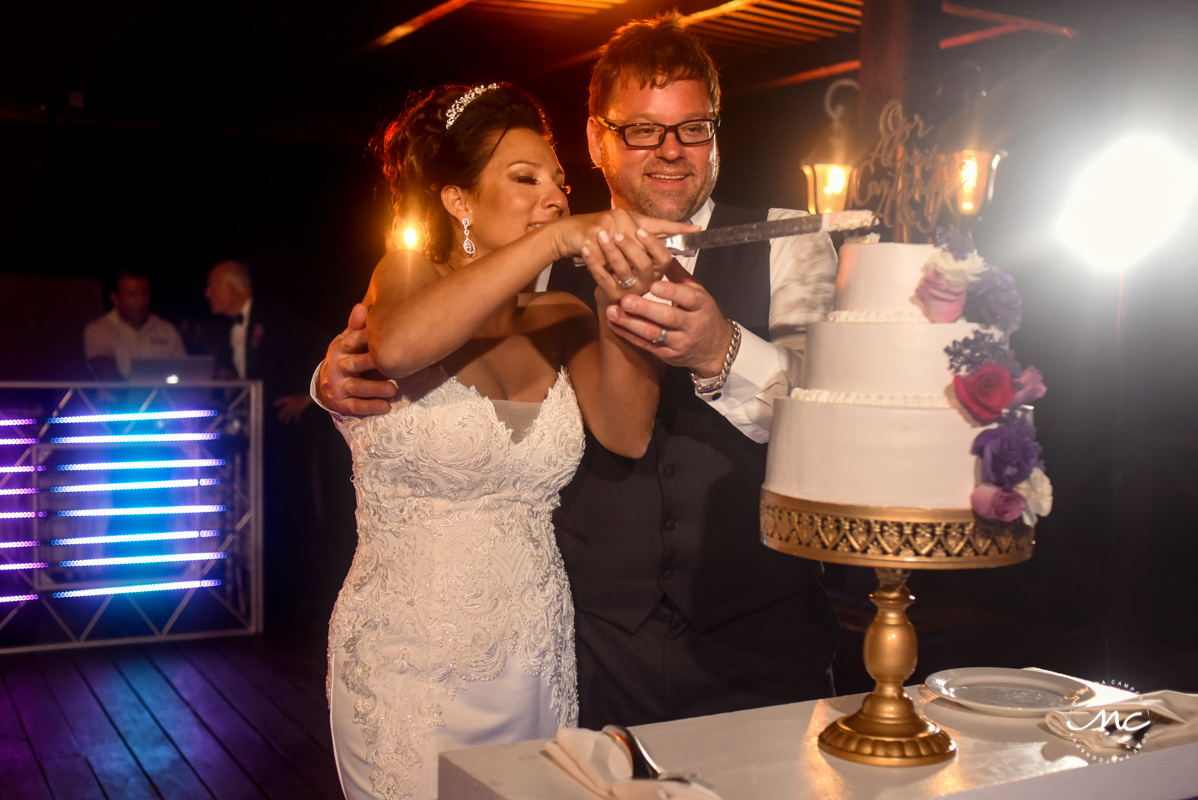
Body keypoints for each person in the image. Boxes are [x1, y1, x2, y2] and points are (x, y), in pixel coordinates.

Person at [318, 14, 841, 729]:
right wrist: (329, 383)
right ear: (598, 138)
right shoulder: (540, 262)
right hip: (595, 644)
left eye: (694, 128)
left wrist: (722, 348)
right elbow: (413, 338)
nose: (671, 151)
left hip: (760, 638)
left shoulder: (791, 239)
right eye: (642, 130)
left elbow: (839, 426)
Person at [323, 83, 694, 800]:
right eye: (523, 180)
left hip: (534, 650)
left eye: (557, 183)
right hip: (409, 661)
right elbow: (397, 348)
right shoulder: (405, 276)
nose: (555, 198)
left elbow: (627, 432)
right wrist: (553, 239)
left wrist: (623, 290)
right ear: (459, 201)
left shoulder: (562, 315)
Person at [205, 259, 330, 632]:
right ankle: (269, 598)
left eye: (212, 285)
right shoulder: (222, 330)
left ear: (233, 287)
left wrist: (307, 399)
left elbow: (323, 344)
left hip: (286, 432)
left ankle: (305, 597)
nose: (207, 294)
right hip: (254, 437)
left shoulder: (274, 315)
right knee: (262, 512)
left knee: (293, 511)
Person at [83, 270, 186, 380]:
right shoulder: (98, 330)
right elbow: (109, 378)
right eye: (132, 295)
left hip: (166, 397)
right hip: (118, 398)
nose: (140, 300)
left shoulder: (167, 330)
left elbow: (185, 373)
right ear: (115, 299)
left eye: (144, 293)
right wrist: (138, 393)